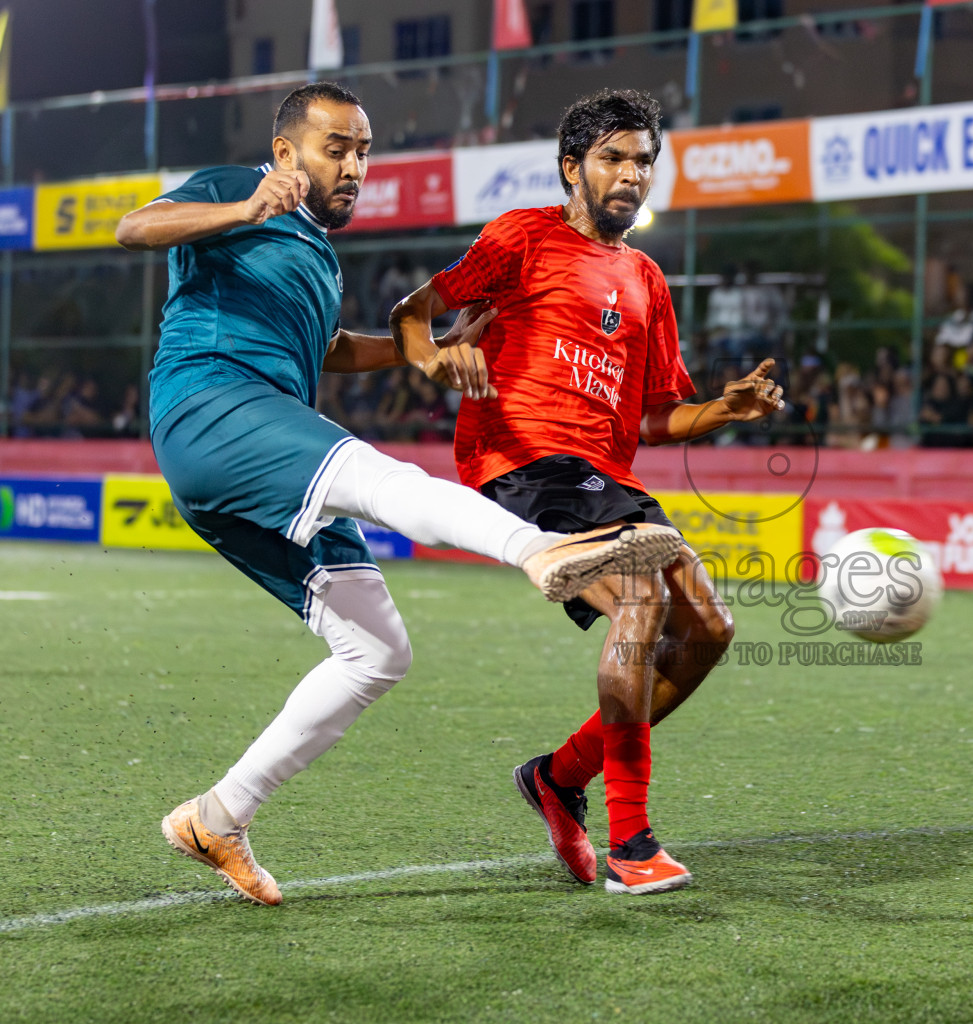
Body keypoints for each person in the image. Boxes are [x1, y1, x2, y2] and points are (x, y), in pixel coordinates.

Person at [115, 82, 682, 908]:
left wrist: (425, 350)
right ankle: (543, 550)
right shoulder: (231, 188)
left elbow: (332, 348)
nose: (353, 166)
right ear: (284, 154)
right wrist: (244, 207)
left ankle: (219, 814)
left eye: (363, 151)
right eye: (334, 148)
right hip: (211, 404)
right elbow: (135, 227)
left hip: (249, 453)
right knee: (381, 479)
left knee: (377, 650)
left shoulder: (316, 254)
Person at [391, 89, 783, 896]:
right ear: (572, 167)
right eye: (613, 157)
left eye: (644, 160)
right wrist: (434, 357)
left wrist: (727, 410)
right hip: (524, 462)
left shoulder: (647, 279)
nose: (631, 174)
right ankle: (632, 844)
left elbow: (659, 413)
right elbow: (414, 311)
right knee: (642, 600)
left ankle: (558, 777)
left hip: (607, 477)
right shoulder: (520, 238)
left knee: (709, 626)